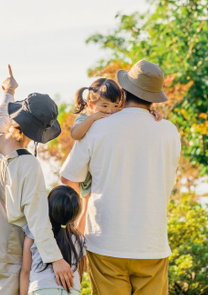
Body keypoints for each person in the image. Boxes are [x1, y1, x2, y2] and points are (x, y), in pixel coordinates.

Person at [60, 60, 181, 295]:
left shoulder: (96, 126)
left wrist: (75, 227)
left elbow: (69, 179)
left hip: (105, 242)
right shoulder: (169, 131)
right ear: (154, 98)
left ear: (123, 92)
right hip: (151, 244)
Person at [0, 66, 74, 295]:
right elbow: (38, 219)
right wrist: (56, 259)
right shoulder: (29, 165)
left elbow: (0, 114)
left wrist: (8, 90)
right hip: (7, 255)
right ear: (41, 133)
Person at [69, 78, 161, 234]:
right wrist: (93, 118)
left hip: (102, 168)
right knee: (86, 205)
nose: (110, 110)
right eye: (104, 106)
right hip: (88, 169)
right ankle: (78, 237)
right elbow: (75, 134)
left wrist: (150, 112)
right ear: (92, 105)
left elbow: (135, 111)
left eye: (115, 106)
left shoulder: (115, 115)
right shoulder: (86, 118)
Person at [20, 185, 86, 295]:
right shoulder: (79, 240)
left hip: (42, 288)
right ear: (75, 214)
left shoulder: (35, 233)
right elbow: (79, 274)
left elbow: (25, 272)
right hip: (72, 290)